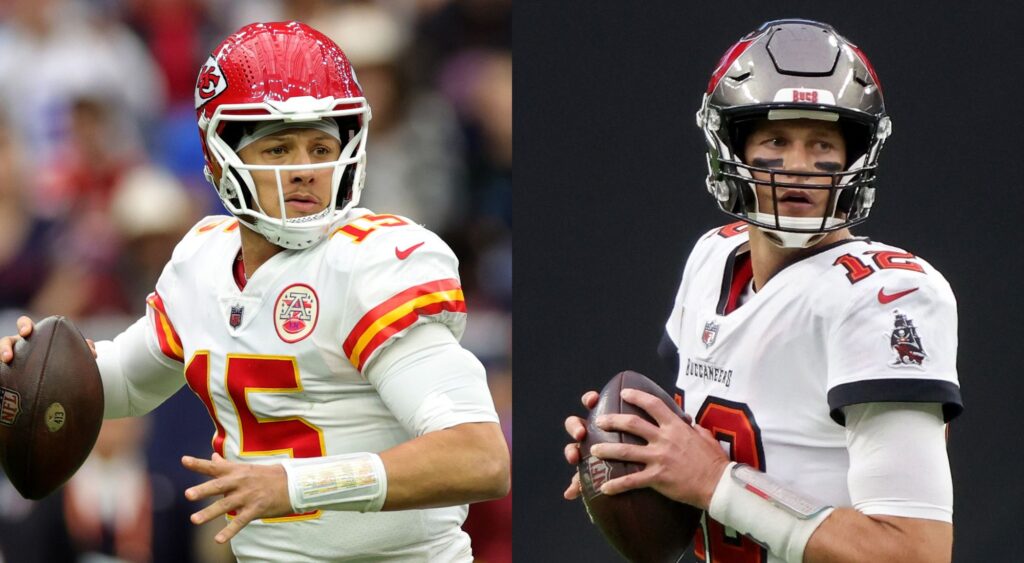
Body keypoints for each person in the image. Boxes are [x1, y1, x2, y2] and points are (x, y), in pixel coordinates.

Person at [1, 21, 509, 562]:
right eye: (279, 148)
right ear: (220, 158)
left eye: (321, 145)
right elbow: (118, 384)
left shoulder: (371, 263)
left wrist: (294, 485)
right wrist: (28, 371)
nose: (306, 170)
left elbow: (478, 457)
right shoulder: (205, 260)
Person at [563, 19, 961, 563]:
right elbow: (715, 442)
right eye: (777, 139)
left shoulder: (887, 294)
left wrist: (715, 483)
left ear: (853, 160)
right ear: (732, 149)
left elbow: (915, 553)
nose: (799, 166)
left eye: (822, 142)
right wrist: (629, 454)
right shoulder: (713, 256)